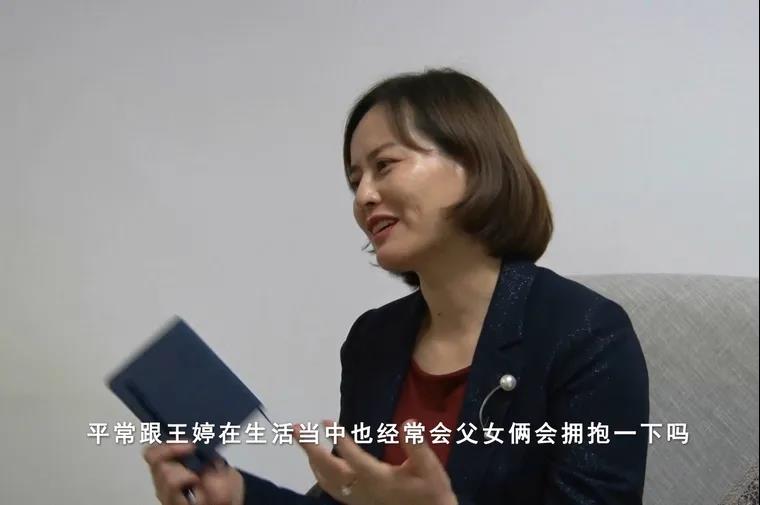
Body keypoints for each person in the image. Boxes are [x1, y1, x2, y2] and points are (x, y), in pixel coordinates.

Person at [143, 68, 649, 505]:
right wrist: (236, 494)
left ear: (472, 163)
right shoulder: (373, 340)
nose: (364, 196)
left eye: (384, 165)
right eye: (355, 180)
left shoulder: (586, 334)